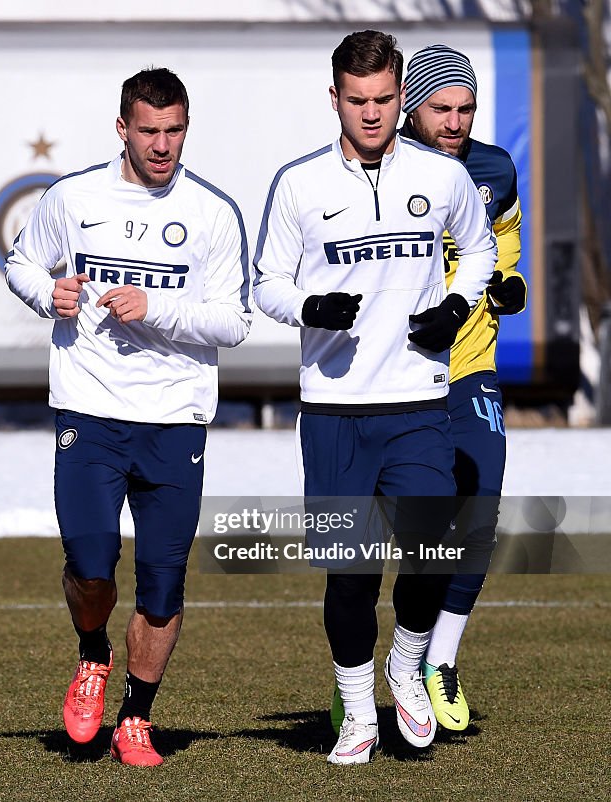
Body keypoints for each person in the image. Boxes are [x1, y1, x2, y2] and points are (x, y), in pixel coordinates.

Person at [252, 30, 497, 764]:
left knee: (432, 552)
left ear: (401, 97)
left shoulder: (442, 177)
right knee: (351, 571)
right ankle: (358, 712)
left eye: (385, 99)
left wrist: (455, 307)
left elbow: (479, 248)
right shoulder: (299, 184)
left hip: (418, 401)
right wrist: (309, 307)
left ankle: (406, 668)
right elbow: (265, 282)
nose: (372, 113)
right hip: (333, 411)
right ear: (335, 98)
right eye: (357, 101)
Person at [5, 67, 251, 766]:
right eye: (149, 130)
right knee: (88, 565)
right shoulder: (74, 197)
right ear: (123, 129)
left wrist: (159, 308)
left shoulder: (212, 212)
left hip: (175, 417)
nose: (163, 144)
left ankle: (136, 719)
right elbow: (21, 264)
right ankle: (92, 652)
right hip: (89, 407)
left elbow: (233, 322)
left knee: (163, 584)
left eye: (175, 130)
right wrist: (46, 293)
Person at [400, 44, 527, 732]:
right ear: (412, 106)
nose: (454, 120)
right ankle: (359, 674)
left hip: (470, 366)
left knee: (478, 519)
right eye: (441, 107)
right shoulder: (381, 167)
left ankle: (439, 663)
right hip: (391, 378)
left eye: (466, 107)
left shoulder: (494, 169)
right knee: (381, 535)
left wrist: (511, 285)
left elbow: (506, 249)